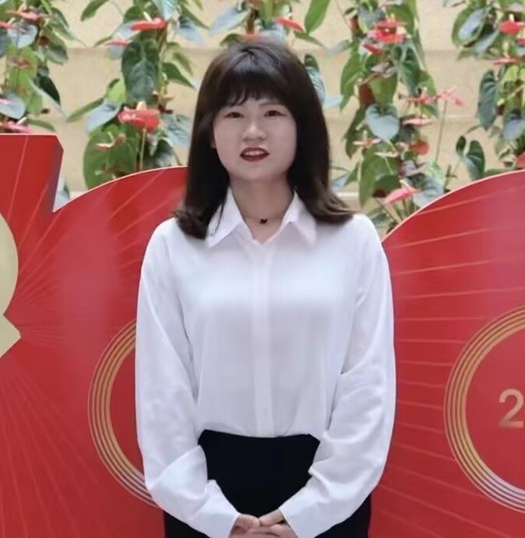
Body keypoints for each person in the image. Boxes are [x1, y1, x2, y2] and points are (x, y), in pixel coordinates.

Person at [134, 37, 397, 538]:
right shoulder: (174, 246)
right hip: (207, 496)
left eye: (272, 112)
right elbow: (162, 394)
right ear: (210, 134)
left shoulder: (353, 241)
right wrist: (211, 514)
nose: (252, 131)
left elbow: (368, 387)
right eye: (233, 114)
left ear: (302, 127)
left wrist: (314, 509)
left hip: (327, 497)